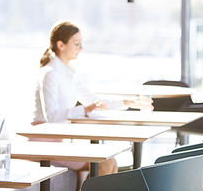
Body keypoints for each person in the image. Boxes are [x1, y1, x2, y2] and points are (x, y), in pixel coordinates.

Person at [32, 21, 149, 185]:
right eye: (77, 44)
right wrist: (85, 109)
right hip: (41, 141)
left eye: (82, 44)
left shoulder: (69, 73)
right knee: (106, 163)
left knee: (110, 162)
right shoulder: (49, 73)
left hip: (57, 140)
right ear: (61, 45)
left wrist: (127, 101)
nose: (81, 48)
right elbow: (51, 117)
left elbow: (94, 100)